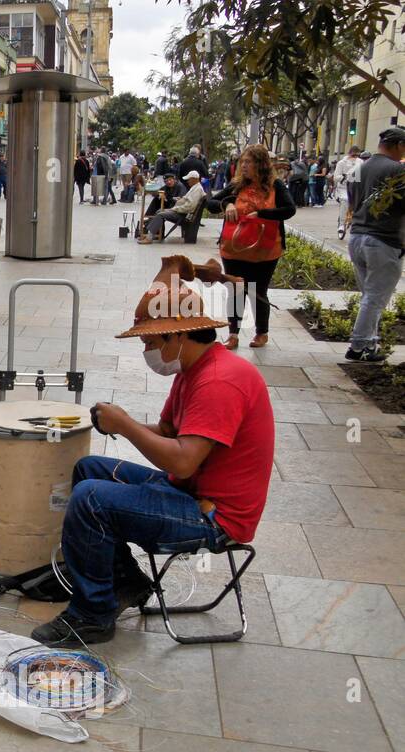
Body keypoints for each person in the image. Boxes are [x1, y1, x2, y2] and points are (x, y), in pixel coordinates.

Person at [30, 268, 274, 647]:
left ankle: (92, 615)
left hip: (212, 515)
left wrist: (125, 425)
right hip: (188, 491)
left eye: (150, 341)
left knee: (91, 498)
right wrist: (117, 420)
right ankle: (123, 581)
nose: (147, 351)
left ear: (177, 336)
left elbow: (181, 461)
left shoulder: (219, 381)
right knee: (89, 469)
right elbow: (168, 434)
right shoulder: (194, 369)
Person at [206, 144, 296, 349]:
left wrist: (262, 215)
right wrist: (226, 204)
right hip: (234, 248)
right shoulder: (236, 185)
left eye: (249, 162)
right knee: (236, 290)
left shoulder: (276, 186)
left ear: (261, 164)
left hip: (265, 249)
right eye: (242, 162)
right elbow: (211, 203)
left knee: (258, 291)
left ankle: (261, 332)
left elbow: (289, 210)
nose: (244, 166)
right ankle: (233, 334)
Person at [346, 126, 405, 362]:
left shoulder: (359, 167)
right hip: (383, 239)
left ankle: (369, 345)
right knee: (375, 297)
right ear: (399, 145)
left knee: (370, 296)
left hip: (358, 237)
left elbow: (351, 199)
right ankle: (358, 346)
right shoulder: (398, 171)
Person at [138, 169, 206, 242]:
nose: (187, 181)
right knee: (158, 210)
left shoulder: (197, 189)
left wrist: (174, 209)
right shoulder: (195, 188)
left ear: (194, 179)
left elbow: (189, 207)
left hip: (183, 214)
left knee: (160, 214)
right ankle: (153, 234)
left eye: (189, 179)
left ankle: (149, 237)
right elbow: (186, 201)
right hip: (181, 211)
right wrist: (179, 201)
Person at [333, 145, 363, 240]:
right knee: (345, 200)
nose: (354, 158)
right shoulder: (341, 163)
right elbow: (335, 177)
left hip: (356, 187)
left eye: (356, 156)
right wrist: (344, 176)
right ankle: (341, 224)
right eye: (353, 156)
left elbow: (362, 176)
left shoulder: (361, 163)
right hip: (343, 188)